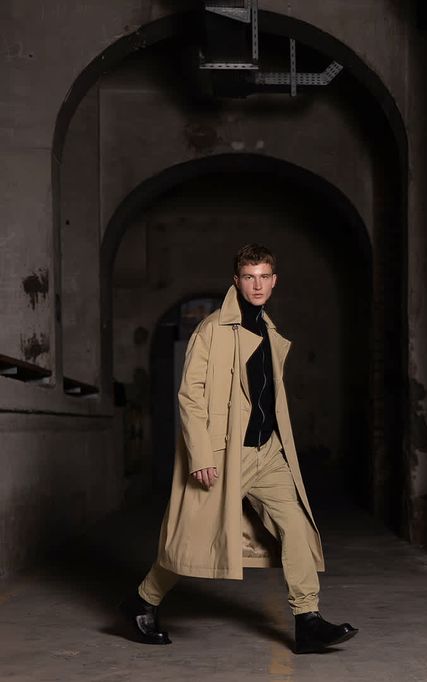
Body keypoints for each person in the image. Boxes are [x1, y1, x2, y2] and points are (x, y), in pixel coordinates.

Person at [122, 244, 358, 653]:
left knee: (296, 526)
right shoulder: (212, 329)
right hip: (224, 454)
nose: (257, 285)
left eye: (264, 277)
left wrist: (276, 445)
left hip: (267, 452)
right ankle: (143, 601)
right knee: (192, 535)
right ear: (237, 281)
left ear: (274, 281)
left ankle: (307, 620)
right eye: (249, 277)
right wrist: (201, 455)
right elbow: (190, 396)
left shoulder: (269, 330)